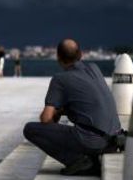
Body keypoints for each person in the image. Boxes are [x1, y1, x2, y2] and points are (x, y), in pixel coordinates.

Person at [23, 39, 121, 176]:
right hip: (114, 139)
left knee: (30, 129)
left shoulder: (60, 79)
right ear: (80, 54)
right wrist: (65, 110)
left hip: (94, 141)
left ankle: (77, 161)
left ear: (58, 58)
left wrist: (55, 121)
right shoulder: (94, 68)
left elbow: (46, 119)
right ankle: (88, 156)